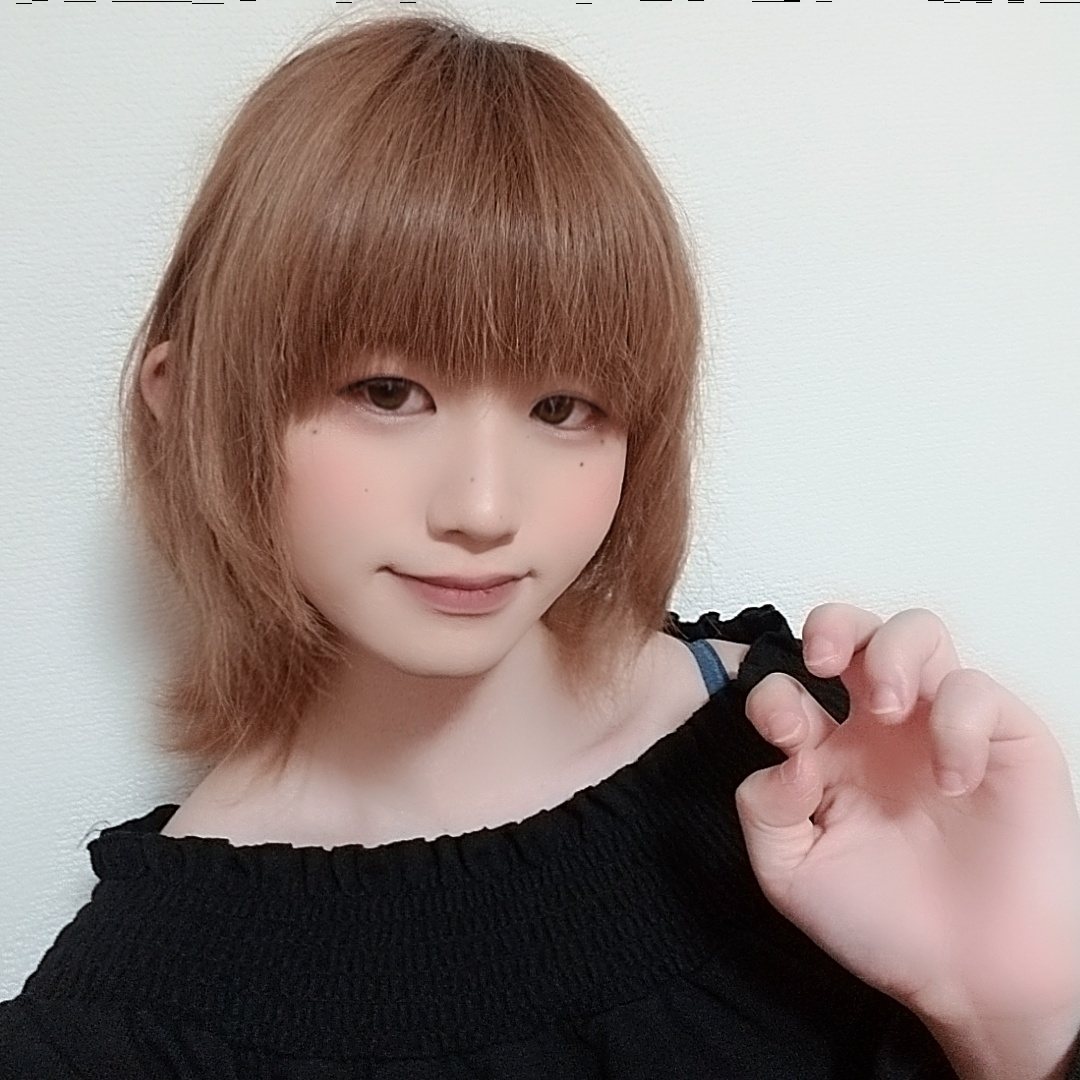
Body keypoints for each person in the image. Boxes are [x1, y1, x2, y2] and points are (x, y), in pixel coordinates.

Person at [3, 10, 1079, 1078]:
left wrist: (1018, 1028)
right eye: (388, 391)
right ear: (189, 400)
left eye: (563, 407)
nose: (482, 507)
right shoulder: (121, 1037)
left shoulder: (825, 762)